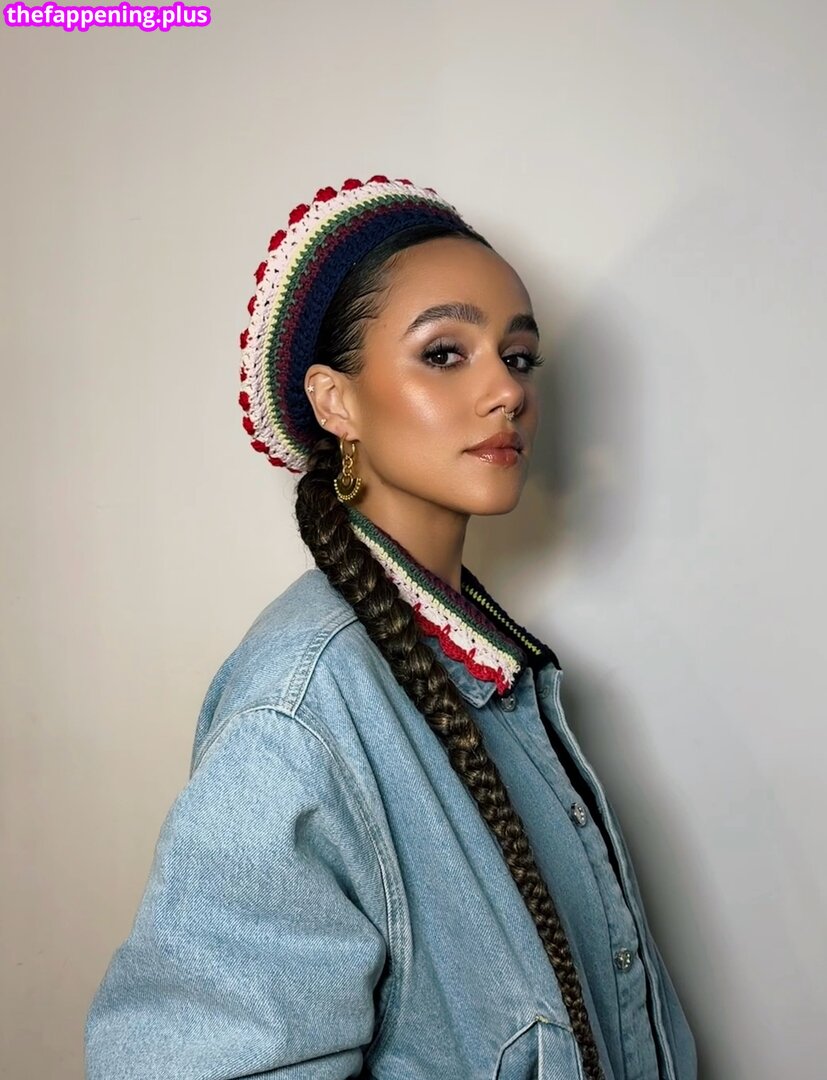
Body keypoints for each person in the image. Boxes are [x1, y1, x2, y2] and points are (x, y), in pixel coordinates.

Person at [84, 175, 698, 1080]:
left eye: (519, 356)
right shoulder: (299, 707)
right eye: (444, 353)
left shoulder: (493, 665)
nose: (506, 390)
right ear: (334, 402)